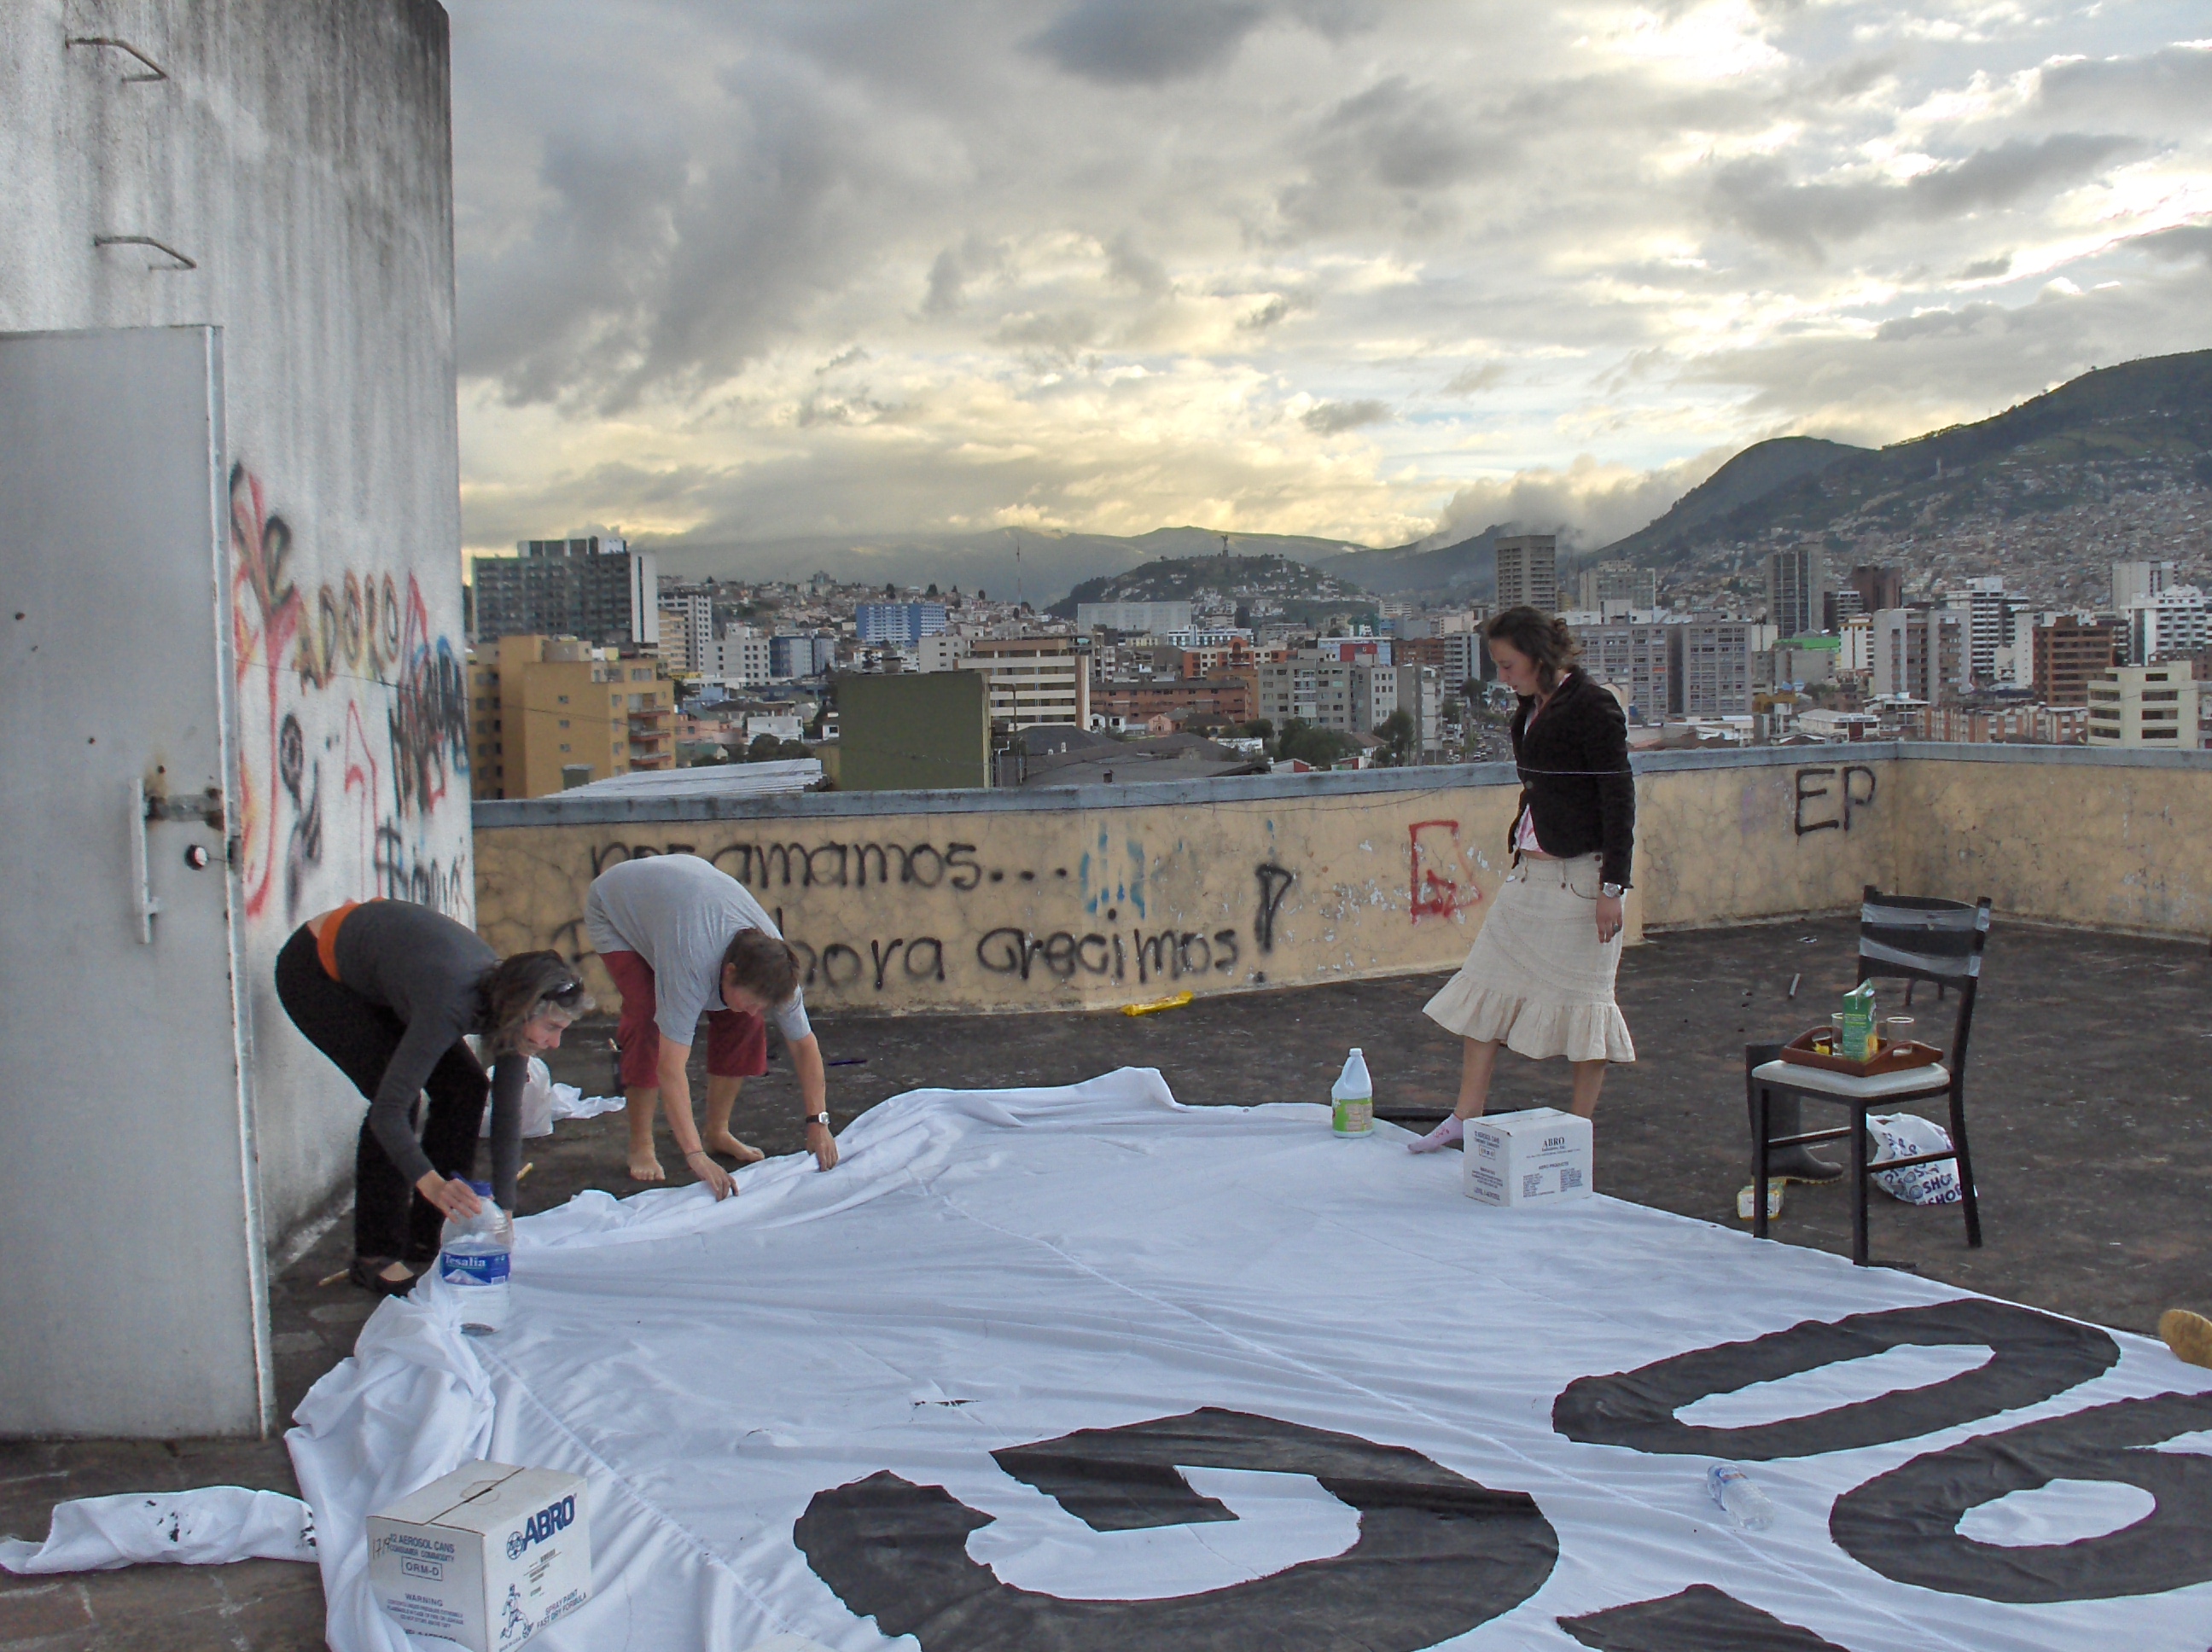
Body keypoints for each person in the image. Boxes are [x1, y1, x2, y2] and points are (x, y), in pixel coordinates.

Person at [275, 899, 590, 1294]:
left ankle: (432, 1232)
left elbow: (508, 1112)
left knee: (466, 1087)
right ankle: (375, 1256)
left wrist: (506, 1210)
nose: (555, 1043)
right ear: (523, 1011)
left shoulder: (509, 1007)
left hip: (390, 971)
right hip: (317, 970)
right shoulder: (451, 1003)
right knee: (397, 1097)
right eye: (551, 1028)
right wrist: (431, 1183)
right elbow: (387, 1113)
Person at [1409, 607, 1635, 1153]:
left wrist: (1613, 887)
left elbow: (1618, 797)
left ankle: (1577, 1131)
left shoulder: (1592, 705)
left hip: (1582, 879)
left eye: (1509, 665)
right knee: (1485, 985)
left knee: (1586, 1007)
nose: (1503, 676)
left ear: (1537, 656)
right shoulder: (1531, 708)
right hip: (1530, 874)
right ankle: (1465, 1116)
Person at [584, 853, 838, 1198]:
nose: (756, 1010)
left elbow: (804, 1044)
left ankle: (717, 1132)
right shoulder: (691, 963)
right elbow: (670, 1067)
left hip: (684, 898)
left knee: (744, 1022)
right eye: (752, 1000)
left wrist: (818, 1122)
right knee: (647, 1019)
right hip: (616, 908)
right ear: (730, 972)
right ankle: (641, 1143)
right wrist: (694, 1156)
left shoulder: (778, 971)